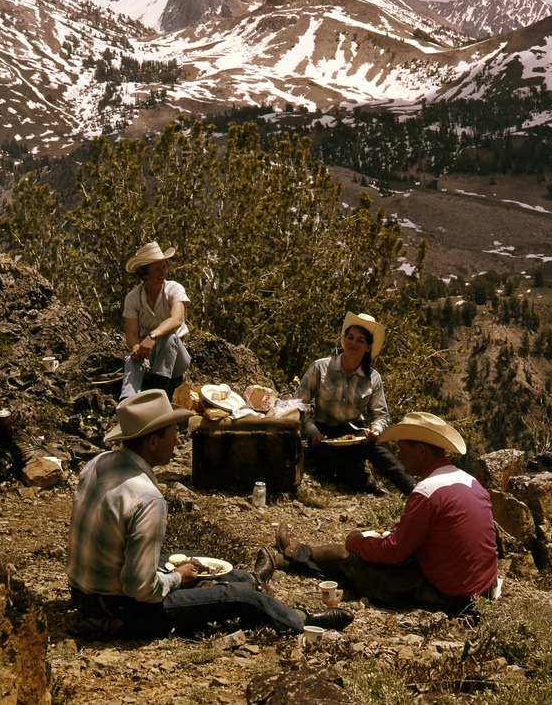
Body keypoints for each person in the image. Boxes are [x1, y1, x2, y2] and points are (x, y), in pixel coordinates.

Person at [66, 391, 354, 638]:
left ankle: (251, 578)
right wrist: (177, 579)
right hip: (121, 610)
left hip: (84, 595)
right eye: (172, 431)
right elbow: (140, 590)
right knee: (237, 599)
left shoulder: (98, 462)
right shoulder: (147, 498)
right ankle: (299, 620)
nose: (178, 440)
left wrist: (179, 573)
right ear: (153, 442)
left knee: (188, 558)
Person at [274, 412, 498, 615]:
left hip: (448, 597)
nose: (399, 456)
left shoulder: (427, 491)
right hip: (481, 593)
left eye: (403, 448)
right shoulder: (472, 482)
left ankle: (290, 558)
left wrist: (356, 542)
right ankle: (297, 554)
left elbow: (395, 552)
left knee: (353, 559)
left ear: (421, 451)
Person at [294, 312, 415, 495]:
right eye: (350, 337)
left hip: (354, 434)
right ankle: (372, 487)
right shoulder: (320, 368)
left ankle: (416, 491)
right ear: (343, 340)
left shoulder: (373, 378)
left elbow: (380, 415)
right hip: (323, 434)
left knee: (379, 451)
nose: (353, 343)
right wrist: (312, 433)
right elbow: (298, 405)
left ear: (368, 347)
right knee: (330, 457)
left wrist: (375, 431)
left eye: (360, 340)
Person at [120, 241, 192, 399]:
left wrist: (153, 336)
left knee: (170, 337)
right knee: (132, 360)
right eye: (157, 269)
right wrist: (136, 349)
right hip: (150, 355)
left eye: (164, 267)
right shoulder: (133, 298)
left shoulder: (174, 289)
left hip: (175, 357)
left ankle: (159, 392)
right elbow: (131, 333)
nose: (163, 272)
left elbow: (177, 319)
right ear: (145, 274)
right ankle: (127, 401)